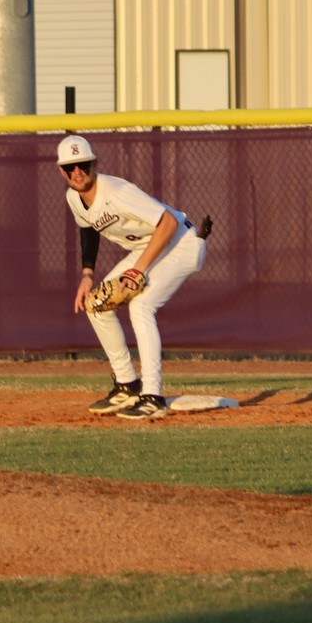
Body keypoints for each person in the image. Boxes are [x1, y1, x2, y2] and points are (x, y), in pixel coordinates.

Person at [57, 134, 208, 421]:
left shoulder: (116, 191)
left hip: (182, 242)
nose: (77, 172)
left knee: (141, 306)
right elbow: (88, 227)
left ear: (94, 164)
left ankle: (153, 397)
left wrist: (138, 269)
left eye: (83, 165)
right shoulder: (73, 198)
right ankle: (127, 384)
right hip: (148, 246)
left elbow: (168, 221)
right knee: (96, 304)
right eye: (70, 167)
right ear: (61, 171)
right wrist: (87, 274)